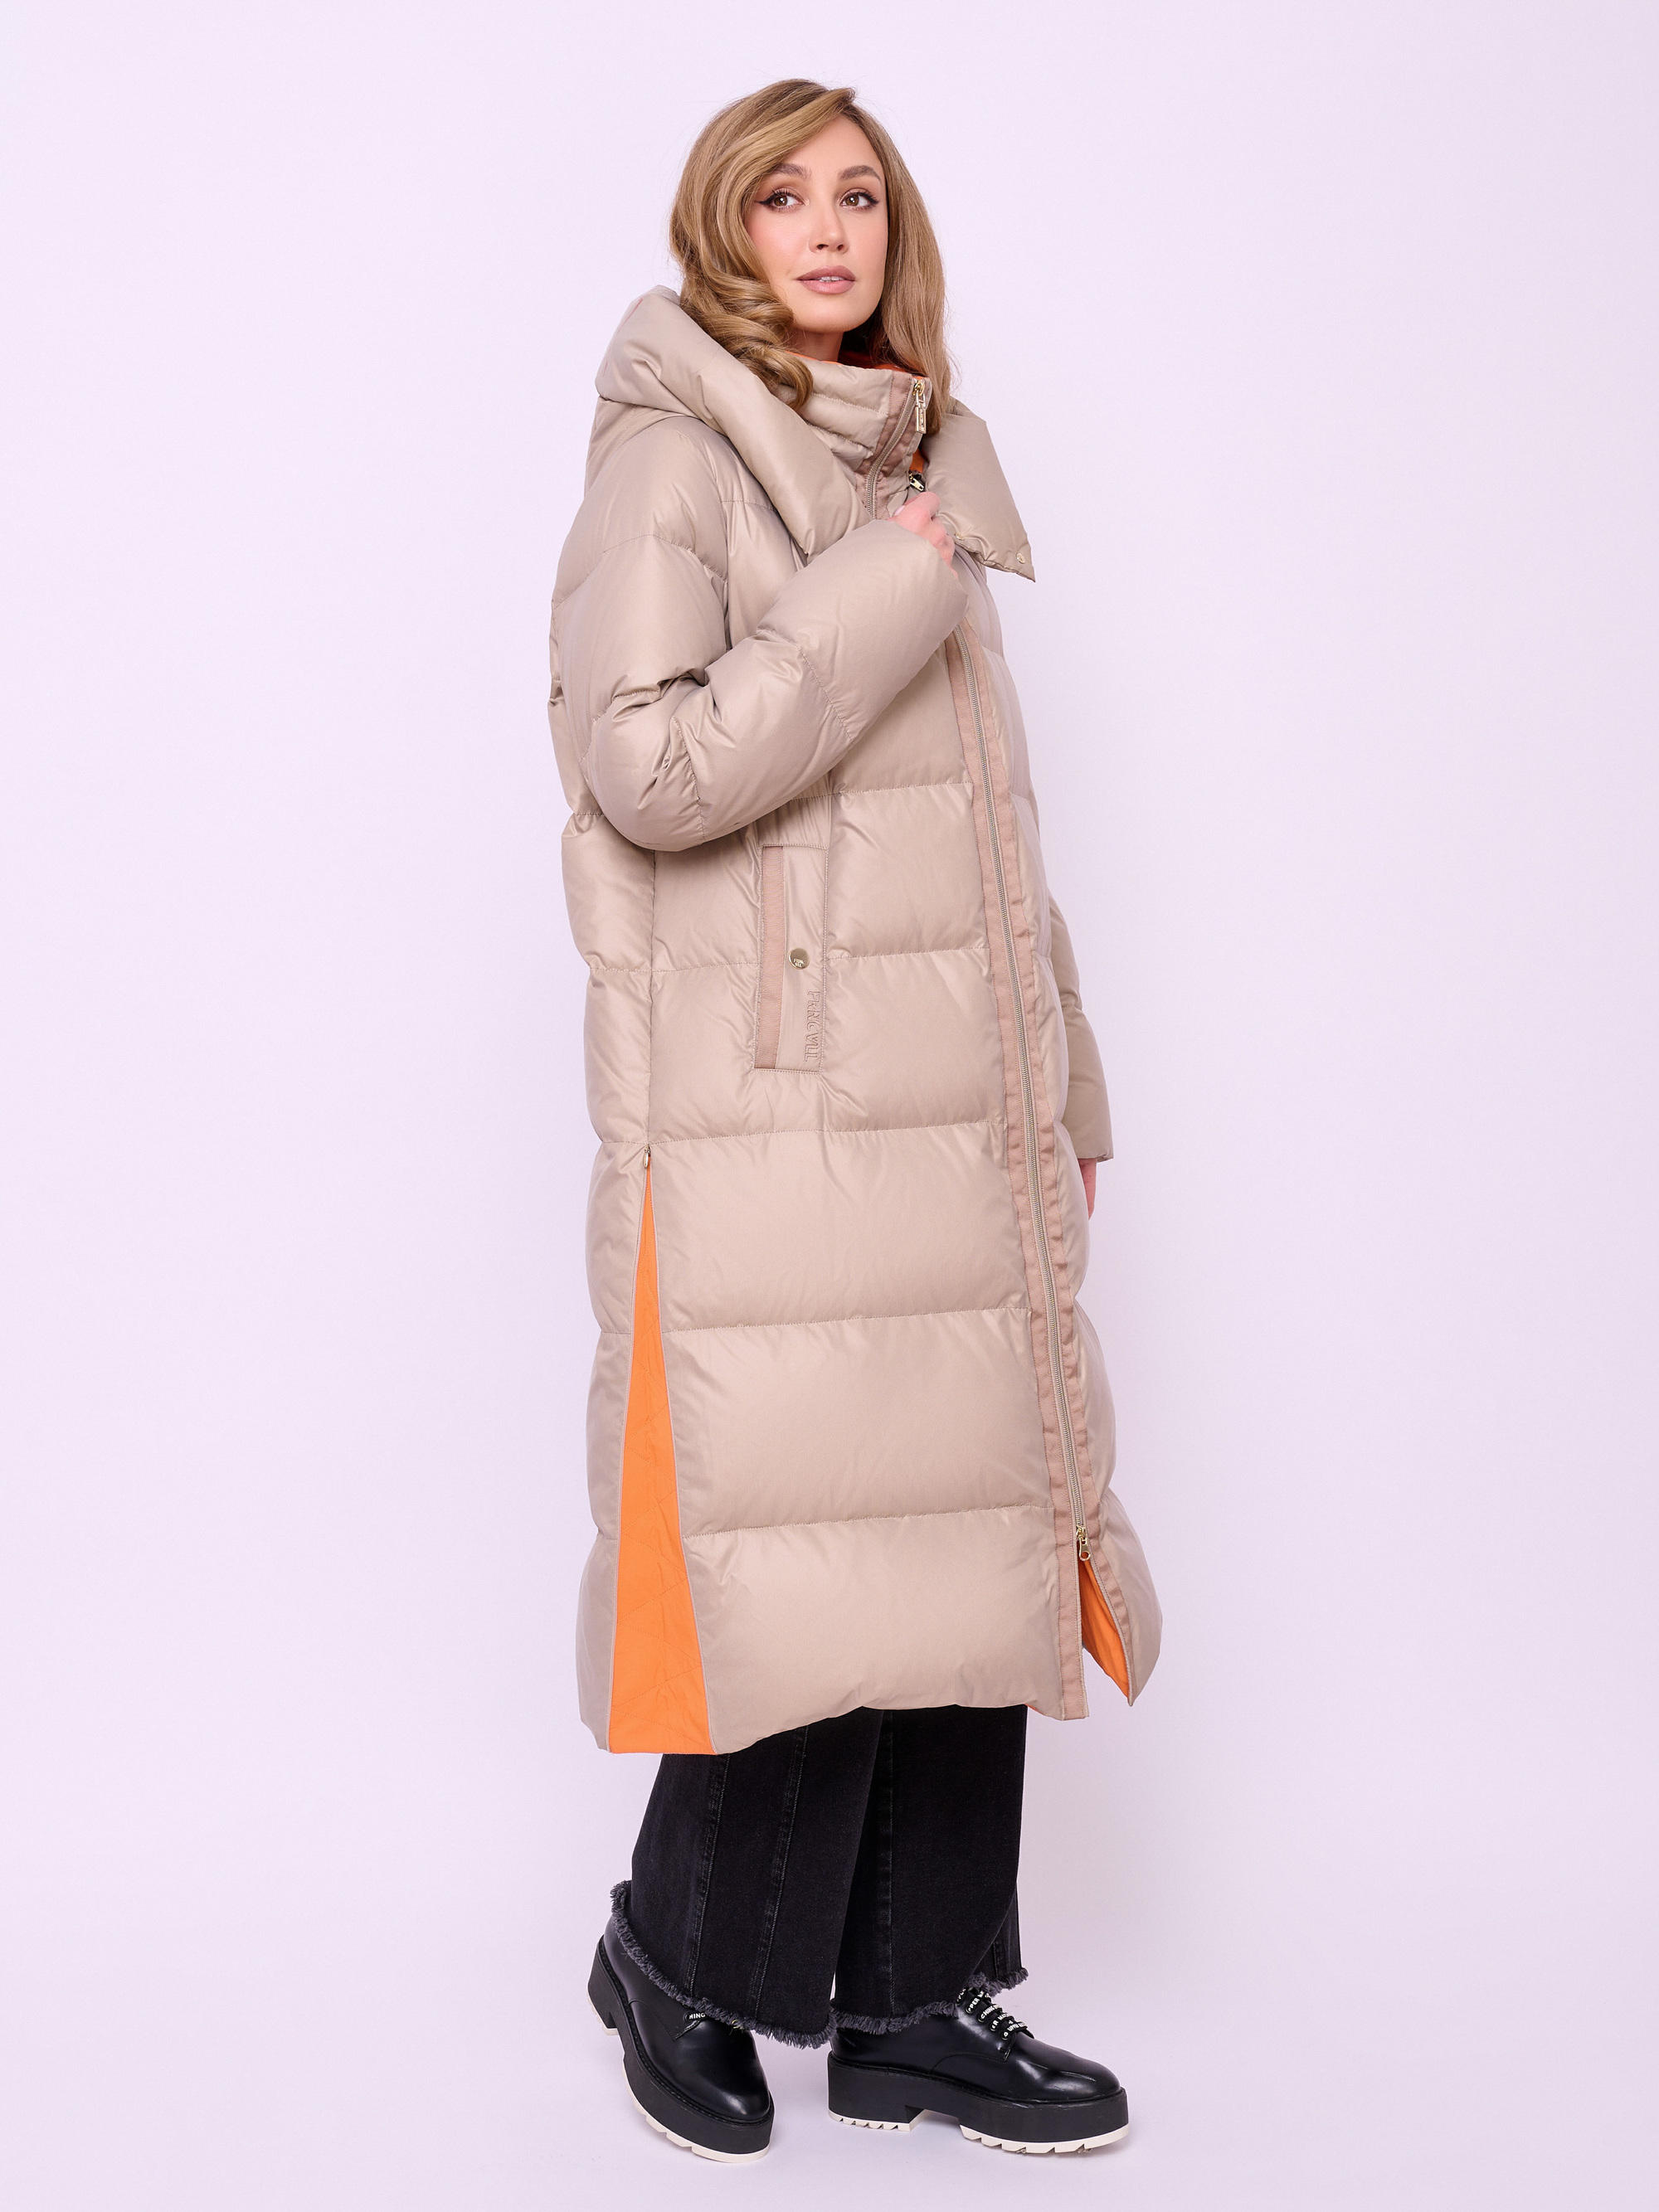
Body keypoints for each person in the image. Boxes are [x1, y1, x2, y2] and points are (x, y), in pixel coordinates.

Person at [547, 78, 1161, 2164]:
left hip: (951, 1104)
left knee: (963, 1541)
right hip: (773, 1114)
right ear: (719, 227)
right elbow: (645, 770)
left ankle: (912, 2000)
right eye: (784, 198)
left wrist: (1065, 1079)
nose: (830, 231)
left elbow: (992, 840)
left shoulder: (912, 464)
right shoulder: (674, 462)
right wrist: (888, 581)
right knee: (807, 1553)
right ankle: (675, 1953)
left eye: (863, 198)